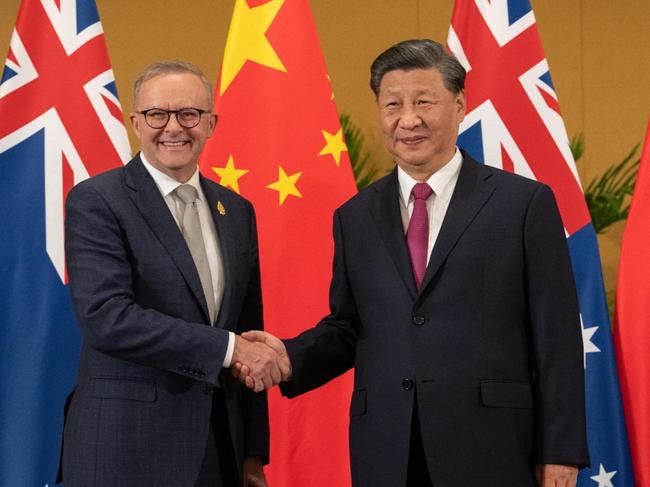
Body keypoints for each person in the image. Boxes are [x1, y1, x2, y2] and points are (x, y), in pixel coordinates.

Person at [235, 40, 589, 487]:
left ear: (459, 105)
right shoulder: (355, 216)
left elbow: (555, 335)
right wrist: (289, 358)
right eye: (393, 104)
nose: (408, 119)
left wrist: (561, 451)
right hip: (388, 446)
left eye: (424, 101)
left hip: (494, 444)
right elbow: (349, 327)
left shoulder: (523, 204)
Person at [60, 61, 286, 487]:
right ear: (134, 122)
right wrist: (228, 348)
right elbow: (108, 318)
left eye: (189, 114)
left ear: (211, 122)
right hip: (125, 449)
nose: (173, 128)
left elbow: (248, 330)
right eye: (157, 115)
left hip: (219, 449)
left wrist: (253, 452)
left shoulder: (236, 211)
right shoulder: (97, 201)